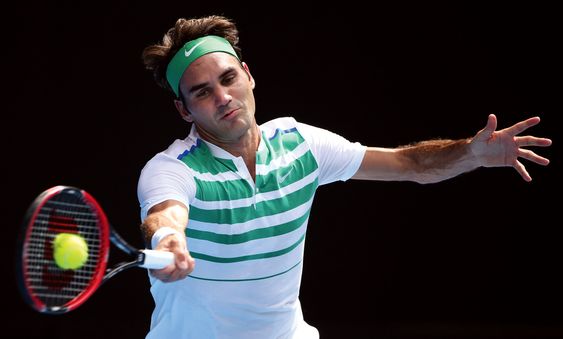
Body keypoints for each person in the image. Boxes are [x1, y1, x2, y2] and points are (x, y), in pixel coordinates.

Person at [136, 15, 552, 339]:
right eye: (202, 92)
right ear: (184, 110)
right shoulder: (174, 168)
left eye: (228, 79)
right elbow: (165, 214)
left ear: (248, 75)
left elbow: (408, 165)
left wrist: (471, 152)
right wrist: (168, 240)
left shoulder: (302, 145)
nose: (223, 97)